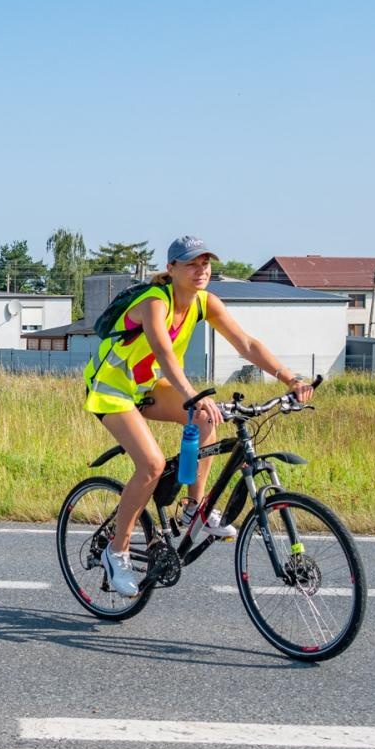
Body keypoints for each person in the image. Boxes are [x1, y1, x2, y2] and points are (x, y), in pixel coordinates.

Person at [83, 236, 314, 597]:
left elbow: (247, 344)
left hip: (144, 386)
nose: (201, 270)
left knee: (208, 419)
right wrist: (192, 395)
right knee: (152, 464)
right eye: (192, 264)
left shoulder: (205, 303)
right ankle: (117, 552)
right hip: (110, 388)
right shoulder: (154, 302)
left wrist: (289, 377)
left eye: (205, 263)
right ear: (172, 269)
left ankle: (194, 511)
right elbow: (163, 350)